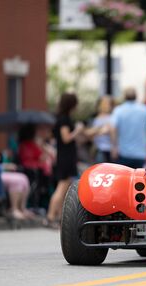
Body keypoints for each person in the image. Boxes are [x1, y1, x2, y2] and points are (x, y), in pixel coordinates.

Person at [46, 93, 84, 228]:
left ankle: (60, 217)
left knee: (65, 188)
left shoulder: (63, 118)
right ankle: (50, 216)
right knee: (61, 188)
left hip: (65, 157)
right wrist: (78, 131)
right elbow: (66, 138)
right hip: (65, 157)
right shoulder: (64, 120)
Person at [110, 87, 146, 168]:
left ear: (124, 97)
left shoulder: (118, 110)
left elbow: (113, 129)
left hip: (123, 153)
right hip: (140, 153)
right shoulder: (145, 109)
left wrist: (114, 147)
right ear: (136, 96)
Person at [85, 95, 114, 163]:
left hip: (107, 150)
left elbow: (107, 130)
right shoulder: (94, 118)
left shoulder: (112, 117)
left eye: (107, 104)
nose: (105, 106)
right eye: (104, 103)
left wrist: (95, 131)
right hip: (97, 149)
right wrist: (99, 130)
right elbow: (87, 133)